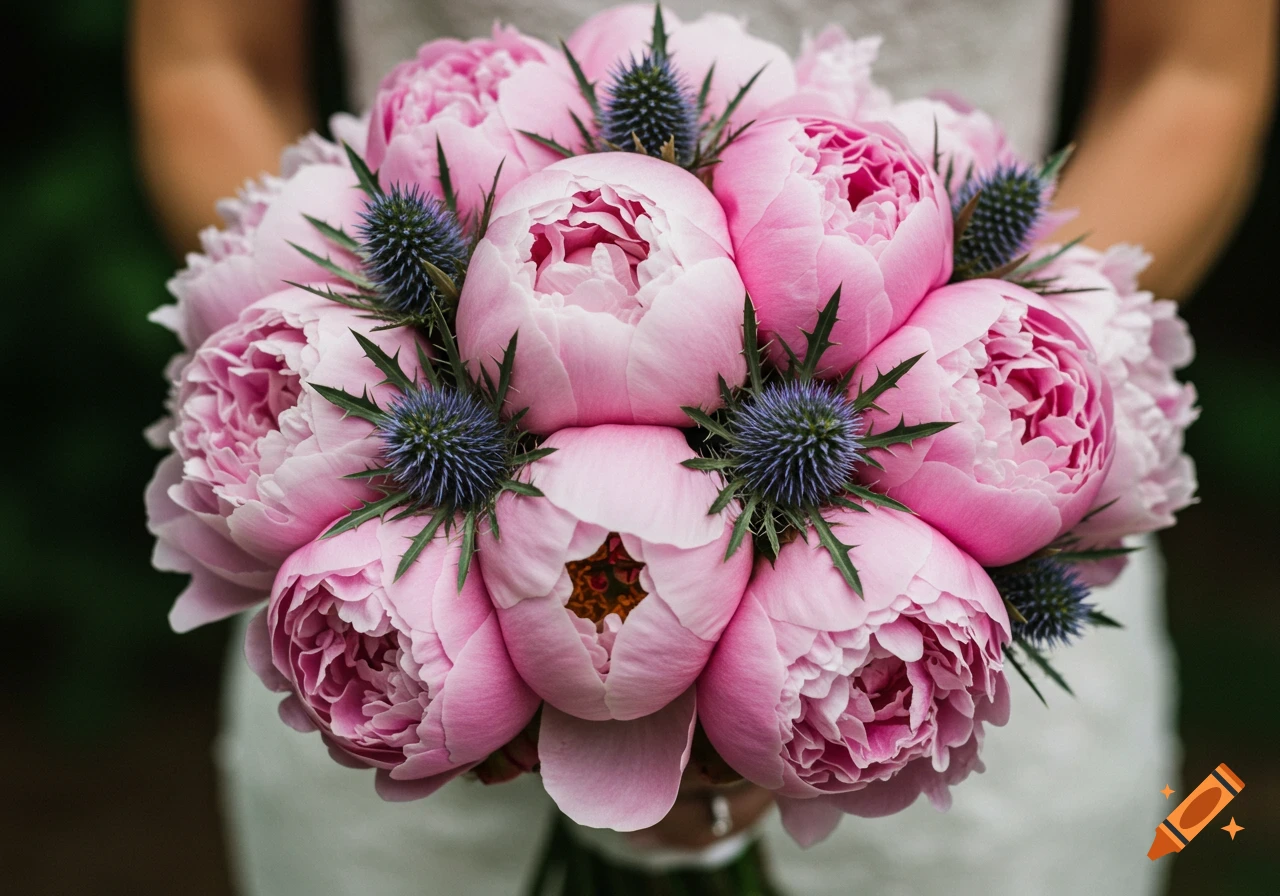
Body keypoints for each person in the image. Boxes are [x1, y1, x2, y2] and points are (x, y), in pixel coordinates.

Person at [131, 1, 1276, 893]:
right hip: (395, 601)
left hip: (939, 599)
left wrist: (999, 364)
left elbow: (1194, 74)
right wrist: (361, 358)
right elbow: (206, 59)